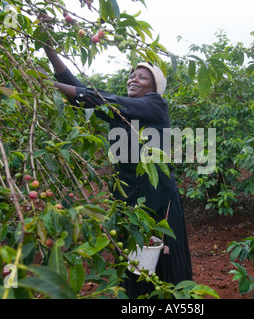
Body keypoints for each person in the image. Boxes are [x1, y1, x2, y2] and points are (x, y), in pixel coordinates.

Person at [41, 41, 193, 298]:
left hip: (158, 203)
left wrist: (49, 84)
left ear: (154, 87)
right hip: (128, 202)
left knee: (166, 266)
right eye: (132, 75)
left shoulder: (156, 105)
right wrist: (49, 50)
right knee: (136, 267)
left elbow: (97, 97)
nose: (133, 79)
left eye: (142, 77)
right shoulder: (119, 113)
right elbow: (82, 95)